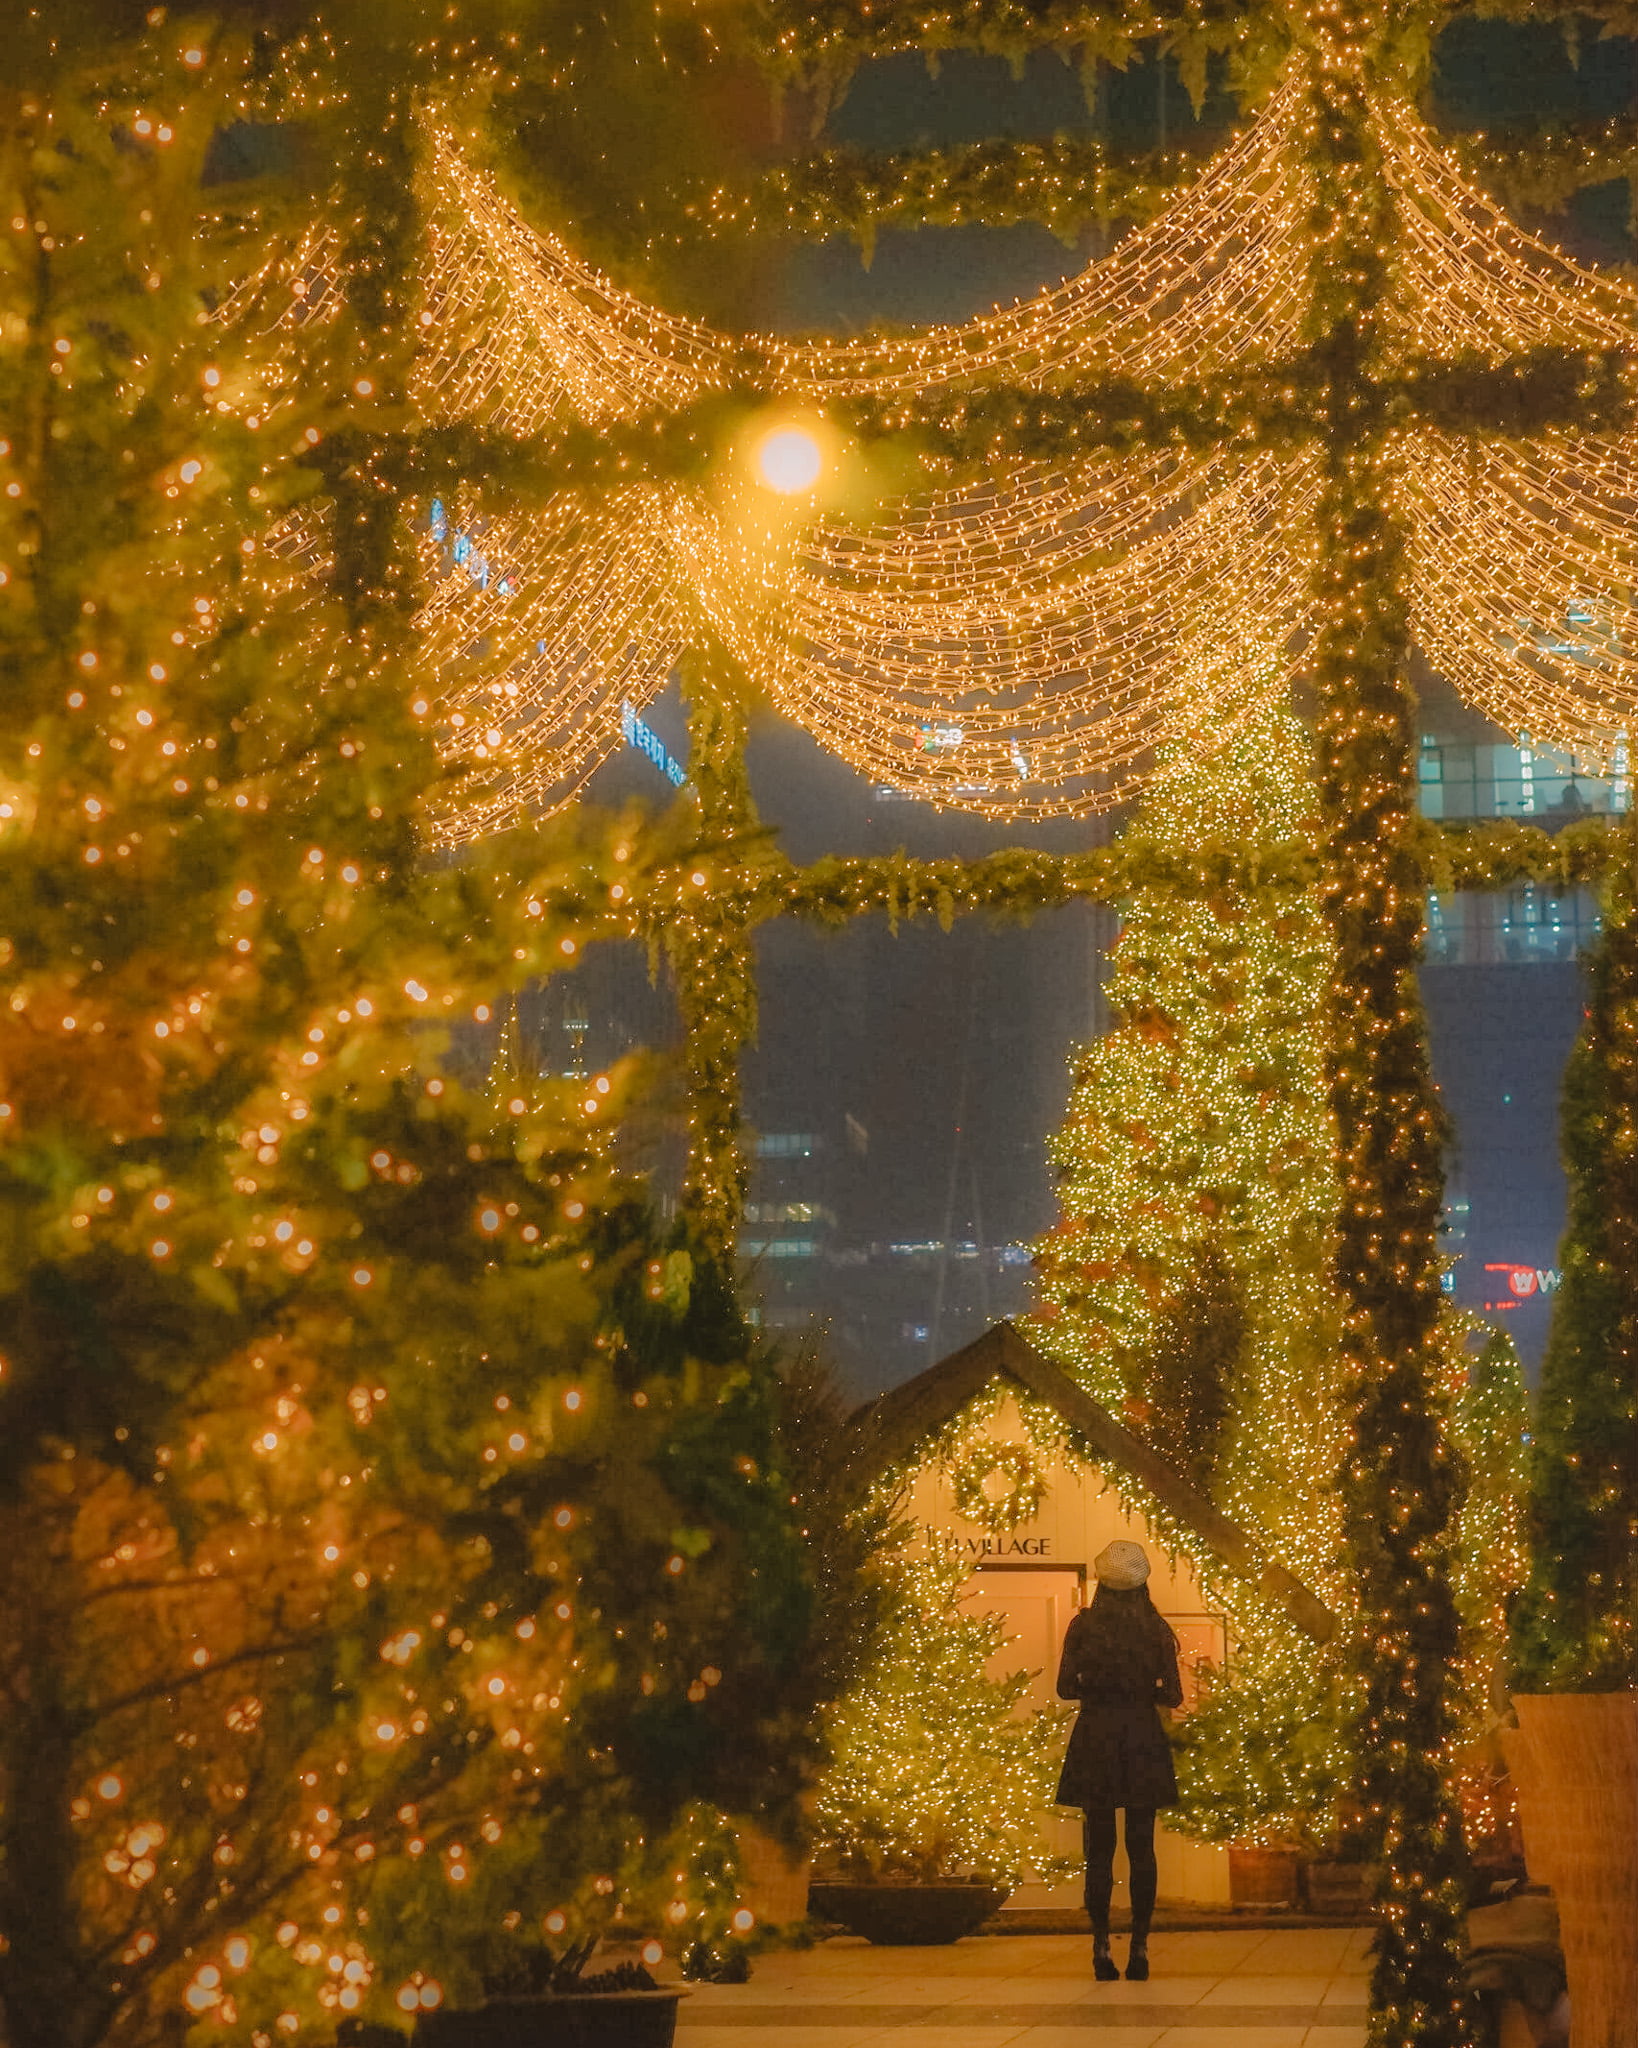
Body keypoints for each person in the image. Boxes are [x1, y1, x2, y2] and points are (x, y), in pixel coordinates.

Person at [1054, 1539, 1183, 1983]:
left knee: (1100, 1851)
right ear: (1143, 1583)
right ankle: (1142, 1948)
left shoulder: (1083, 1626)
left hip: (1096, 1737)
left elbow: (1065, 1689)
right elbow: (1174, 1694)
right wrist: (1142, 1691)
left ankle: (1101, 1948)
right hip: (1142, 1738)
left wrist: (1098, 1687)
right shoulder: (1155, 1628)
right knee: (1142, 1848)